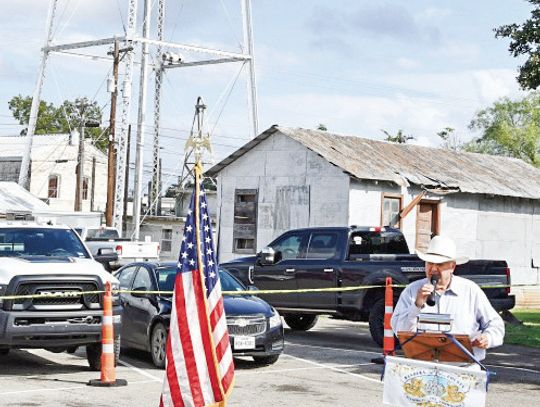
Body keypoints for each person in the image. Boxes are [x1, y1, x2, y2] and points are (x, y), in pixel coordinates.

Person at [391, 235, 504, 361]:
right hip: (423, 366)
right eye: (429, 263)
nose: (433, 269)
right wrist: (417, 305)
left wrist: (488, 338)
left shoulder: (470, 290)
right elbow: (399, 331)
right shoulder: (412, 291)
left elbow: (496, 325)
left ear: (452, 266)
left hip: (463, 368)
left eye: (439, 264)